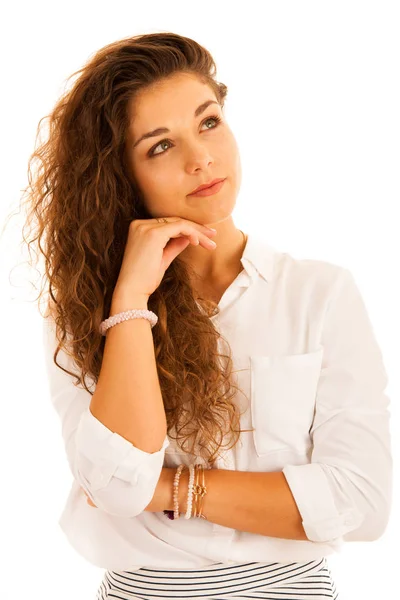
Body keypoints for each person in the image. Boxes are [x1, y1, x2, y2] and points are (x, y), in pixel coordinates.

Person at [26, 32, 391, 599]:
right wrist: (130, 303)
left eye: (209, 121)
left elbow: (363, 505)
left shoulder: (318, 293)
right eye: (160, 146)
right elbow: (120, 490)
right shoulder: (81, 309)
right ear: (121, 177)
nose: (202, 158)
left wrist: (169, 489)